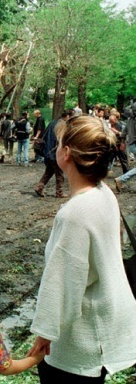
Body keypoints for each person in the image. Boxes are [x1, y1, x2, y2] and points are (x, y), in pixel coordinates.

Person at [28, 115, 136, 383]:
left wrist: (43, 336)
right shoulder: (104, 192)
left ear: (66, 153)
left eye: (60, 141)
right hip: (103, 329)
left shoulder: (75, 214)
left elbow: (63, 285)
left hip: (77, 346)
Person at [34, 110, 71, 198]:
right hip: (55, 152)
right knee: (59, 174)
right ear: (67, 116)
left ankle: (39, 187)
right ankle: (59, 192)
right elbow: (60, 139)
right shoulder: (62, 125)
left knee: (49, 171)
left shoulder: (52, 122)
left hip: (47, 151)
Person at [115, 110, 136, 192]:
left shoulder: (130, 120)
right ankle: (121, 179)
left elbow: (123, 133)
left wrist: (122, 143)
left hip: (132, 145)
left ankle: (121, 179)